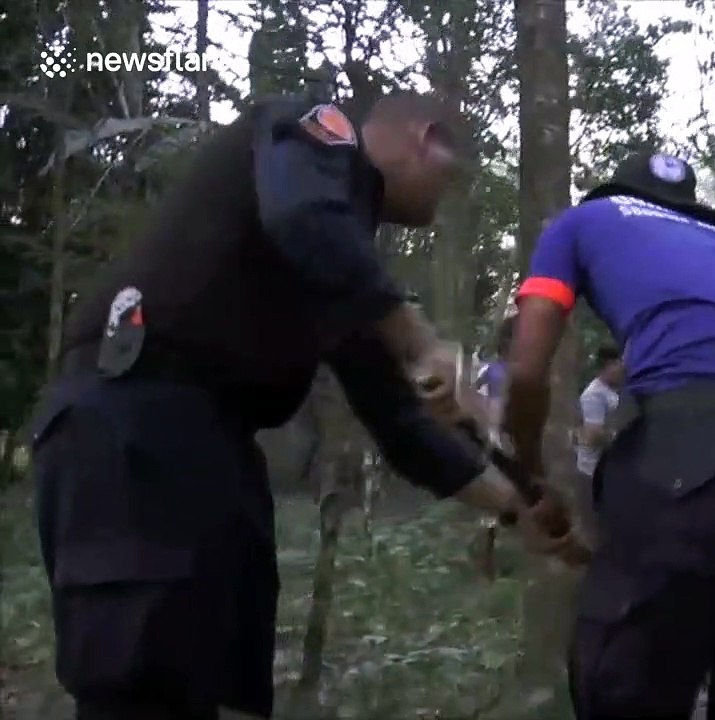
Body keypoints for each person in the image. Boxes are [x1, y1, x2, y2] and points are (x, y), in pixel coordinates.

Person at [29, 93, 570, 720]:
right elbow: (301, 218)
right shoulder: (317, 137)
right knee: (145, 685)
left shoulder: (345, 261)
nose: (444, 198)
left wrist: (516, 509)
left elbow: (398, 422)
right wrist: (417, 337)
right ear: (423, 137)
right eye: (448, 178)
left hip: (218, 448)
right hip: (132, 421)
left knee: (230, 686)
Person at [503, 151, 715, 719]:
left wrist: (528, 475)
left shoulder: (581, 221)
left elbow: (524, 370)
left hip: (694, 452)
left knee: (626, 688)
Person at [573, 344, 625, 544]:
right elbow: (593, 434)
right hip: (593, 470)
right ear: (607, 366)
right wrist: (622, 438)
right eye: (618, 365)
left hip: (611, 468)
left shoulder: (613, 391)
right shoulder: (594, 395)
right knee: (596, 526)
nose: (622, 369)